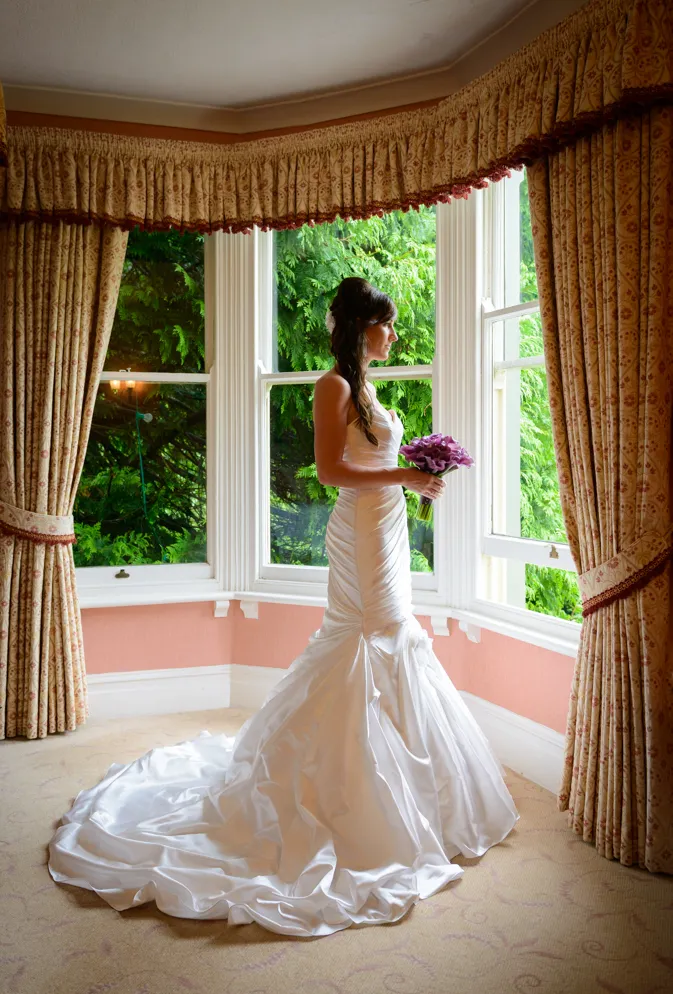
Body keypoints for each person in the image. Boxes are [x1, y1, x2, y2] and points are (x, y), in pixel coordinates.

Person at [48, 276, 519, 938]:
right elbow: (330, 472)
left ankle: (412, 790)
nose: (393, 336)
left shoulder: (369, 388)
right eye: (385, 325)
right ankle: (347, 793)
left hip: (383, 525)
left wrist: (412, 482)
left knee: (393, 636)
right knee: (365, 636)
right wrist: (401, 476)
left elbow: (369, 459)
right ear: (360, 329)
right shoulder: (333, 386)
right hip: (358, 530)